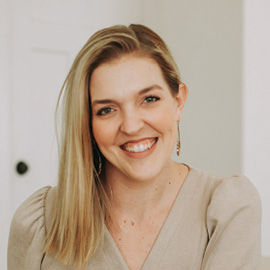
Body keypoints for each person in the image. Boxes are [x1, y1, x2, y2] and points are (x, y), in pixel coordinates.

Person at [7, 24, 261, 270]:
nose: (131, 126)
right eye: (106, 110)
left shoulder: (228, 208)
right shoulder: (39, 223)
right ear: (86, 122)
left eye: (149, 99)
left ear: (178, 101)